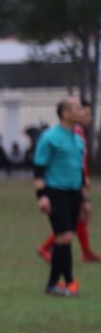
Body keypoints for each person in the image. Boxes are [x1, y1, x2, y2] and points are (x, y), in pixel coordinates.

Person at [34, 97, 90, 296]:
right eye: (77, 108)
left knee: (62, 239)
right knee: (65, 236)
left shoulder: (78, 139)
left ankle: (52, 285)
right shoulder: (50, 138)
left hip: (74, 194)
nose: (82, 112)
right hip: (56, 193)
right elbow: (39, 169)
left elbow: (79, 172)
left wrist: (85, 200)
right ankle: (69, 283)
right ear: (65, 113)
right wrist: (42, 196)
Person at [37, 100, 99, 265]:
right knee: (69, 224)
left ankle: (85, 253)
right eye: (85, 112)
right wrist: (84, 178)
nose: (89, 117)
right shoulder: (72, 133)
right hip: (65, 187)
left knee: (77, 220)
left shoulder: (78, 134)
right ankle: (47, 249)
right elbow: (75, 162)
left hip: (75, 182)